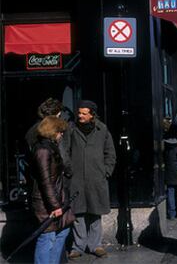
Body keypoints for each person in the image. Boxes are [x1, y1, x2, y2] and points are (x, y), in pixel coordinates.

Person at [67, 100, 116, 259]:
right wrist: (68, 171)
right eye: (79, 113)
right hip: (77, 179)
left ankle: (95, 245)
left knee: (96, 213)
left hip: (96, 179)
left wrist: (106, 171)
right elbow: (64, 151)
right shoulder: (71, 129)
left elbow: (110, 153)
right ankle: (78, 246)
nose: (80, 116)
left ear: (92, 115)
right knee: (78, 214)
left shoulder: (102, 129)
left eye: (83, 113)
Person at [31, 116, 72, 264]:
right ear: (53, 131)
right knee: (47, 236)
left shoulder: (49, 147)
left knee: (63, 230)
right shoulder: (43, 151)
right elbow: (45, 181)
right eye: (60, 131)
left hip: (56, 196)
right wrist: (54, 206)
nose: (61, 135)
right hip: (47, 200)